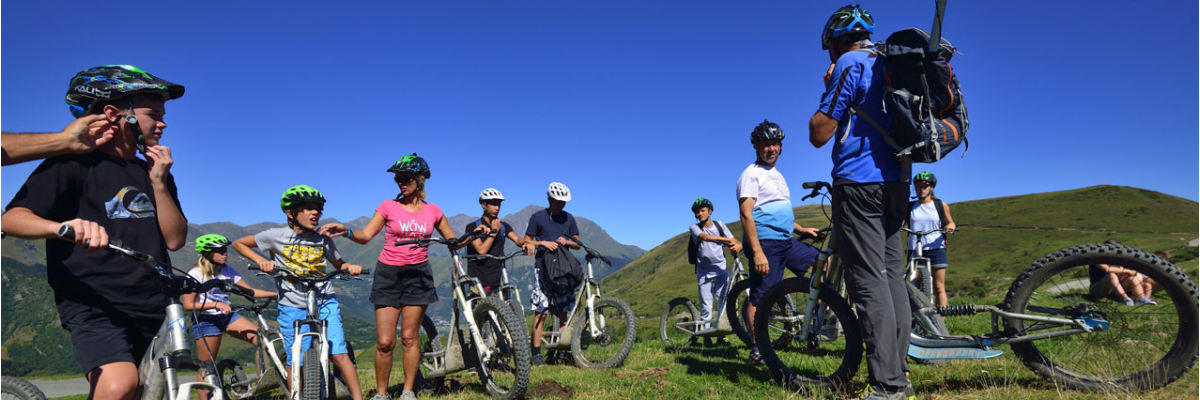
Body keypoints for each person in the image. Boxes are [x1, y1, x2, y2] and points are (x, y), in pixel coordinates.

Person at [1, 65, 187, 400]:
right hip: (94, 301)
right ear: (115, 114)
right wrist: (61, 228)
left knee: (155, 391)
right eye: (152, 114)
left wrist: (159, 182)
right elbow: (11, 218)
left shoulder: (154, 170)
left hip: (152, 304)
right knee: (118, 385)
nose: (163, 123)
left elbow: (175, 240)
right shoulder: (70, 163)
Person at [807, 5, 916, 399]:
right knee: (891, 279)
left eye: (829, 48)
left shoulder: (849, 63)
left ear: (835, 41)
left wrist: (828, 85)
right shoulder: (888, 61)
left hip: (859, 184)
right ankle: (899, 369)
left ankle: (887, 385)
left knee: (867, 283)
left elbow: (820, 132)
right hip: (896, 184)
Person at [320, 154, 467, 400]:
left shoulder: (434, 211)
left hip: (418, 275)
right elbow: (366, 235)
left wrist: (477, 235)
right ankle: (381, 394)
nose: (400, 182)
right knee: (385, 342)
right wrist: (346, 231)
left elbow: (453, 242)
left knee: (409, 338)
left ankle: (408, 391)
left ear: (420, 180)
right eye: (397, 178)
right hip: (388, 274)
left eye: (405, 177)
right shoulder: (389, 206)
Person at [230, 185, 364, 400]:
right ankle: (297, 395)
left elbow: (340, 264)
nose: (315, 213)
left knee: (338, 353)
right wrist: (262, 261)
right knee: (296, 358)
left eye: (318, 209)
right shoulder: (275, 236)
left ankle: (359, 398)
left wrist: (351, 267)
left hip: (324, 299)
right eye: (308, 209)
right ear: (291, 213)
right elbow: (238, 243)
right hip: (291, 303)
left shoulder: (323, 238)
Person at [736, 120, 822, 366]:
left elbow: (777, 212)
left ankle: (814, 322)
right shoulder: (750, 174)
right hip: (766, 243)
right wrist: (757, 252)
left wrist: (802, 229)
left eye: (775, 144)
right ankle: (758, 348)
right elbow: (747, 215)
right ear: (756, 146)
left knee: (822, 264)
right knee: (761, 298)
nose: (771, 148)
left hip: (786, 240)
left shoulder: (778, 176)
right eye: (766, 144)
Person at [183, 234, 277, 400]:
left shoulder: (228, 271)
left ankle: (262, 384)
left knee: (261, 340)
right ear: (207, 253)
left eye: (225, 250)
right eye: (219, 251)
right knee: (206, 367)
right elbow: (188, 305)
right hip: (206, 320)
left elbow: (250, 292)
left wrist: (277, 294)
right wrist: (215, 305)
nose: (224, 253)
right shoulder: (196, 274)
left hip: (227, 316)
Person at [521, 182, 583, 366]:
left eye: (563, 202)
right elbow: (527, 240)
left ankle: (562, 353)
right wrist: (544, 243)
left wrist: (567, 242)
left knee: (563, 312)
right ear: (549, 199)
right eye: (557, 202)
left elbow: (578, 243)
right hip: (543, 269)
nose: (560, 205)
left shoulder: (569, 218)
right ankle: (536, 354)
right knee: (541, 311)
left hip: (564, 269)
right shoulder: (537, 217)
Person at [688, 198, 741, 343]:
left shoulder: (720, 225)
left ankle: (720, 336)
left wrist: (738, 245)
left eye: (703, 211)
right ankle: (706, 337)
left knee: (723, 304)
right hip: (704, 272)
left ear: (710, 211)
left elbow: (734, 240)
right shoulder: (694, 227)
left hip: (721, 270)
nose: (700, 214)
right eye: (697, 212)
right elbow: (704, 237)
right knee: (706, 306)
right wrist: (726, 240)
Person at [905, 171, 956, 307]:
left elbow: (950, 222)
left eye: (925, 186)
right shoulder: (910, 207)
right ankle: (915, 319)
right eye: (918, 186)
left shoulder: (940, 205)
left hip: (936, 248)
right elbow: (901, 223)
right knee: (913, 286)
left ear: (932, 187)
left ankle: (941, 322)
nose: (921, 189)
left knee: (938, 286)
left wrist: (949, 227)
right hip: (914, 249)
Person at [465, 188, 526, 295]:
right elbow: (481, 251)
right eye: (493, 204)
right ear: (483, 205)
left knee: (504, 310)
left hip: (499, 279)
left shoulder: (503, 226)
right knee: (480, 311)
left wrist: (524, 243)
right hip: (479, 280)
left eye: (499, 205)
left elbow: (517, 239)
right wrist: (494, 231)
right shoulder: (473, 227)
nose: (497, 208)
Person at [2, 114, 116, 166]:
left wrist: (68, 140)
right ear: (112, 113)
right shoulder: (69, 166)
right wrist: (67, 140)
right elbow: (13, 215)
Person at [1088, 239, 1155, 306]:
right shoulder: (1097, 258)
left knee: (1133, 278)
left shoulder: (1116, 259)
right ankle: (1126, 299)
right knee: (1111, 275)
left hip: (1114, 288)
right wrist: (1127, 271)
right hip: (1097, 289)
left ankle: (1141, 299)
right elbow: (1107, 269)